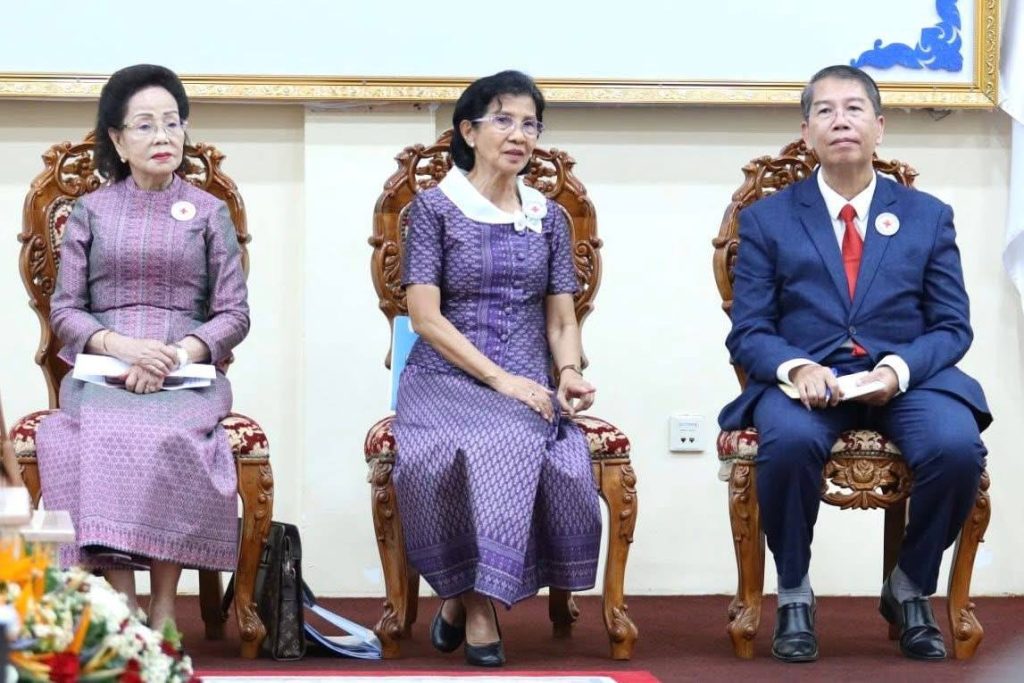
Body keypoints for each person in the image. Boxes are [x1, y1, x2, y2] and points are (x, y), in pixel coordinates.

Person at [719, 65, 990, 663]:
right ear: (806, 132)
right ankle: (794, 592)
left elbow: (952, 325)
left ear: (879, 127)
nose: (840, 121)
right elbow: (750, 330)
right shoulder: (768, 219)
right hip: (809, 385)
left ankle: (909, 586)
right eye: (825, 111)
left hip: (908, 380)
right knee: (787, 443)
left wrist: (897, 370)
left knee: (957, 447)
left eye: (854, 109)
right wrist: (796, 368)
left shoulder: (927, 215)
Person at [392, 70, 601, 668]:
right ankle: (478, 606)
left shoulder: (549, 216)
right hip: (443, 377)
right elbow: (424, 317)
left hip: (527, 377)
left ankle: (461, 599)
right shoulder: (434, 209)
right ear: (469, 131)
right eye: (504, 120)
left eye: (530, 124)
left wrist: (567, 371)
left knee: (528, 443)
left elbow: (561, 320)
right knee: (473, 443)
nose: (519, 135)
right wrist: (500, 380)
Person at [34, 64, 250, 632]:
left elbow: (234, 314)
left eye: (173, 123)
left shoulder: (209, 211)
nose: (163, 137)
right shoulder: (91, 211)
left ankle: (164, 604)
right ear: (117, 138)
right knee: (92, 433)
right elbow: (66, 310)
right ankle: (125, 601)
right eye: (146, 125)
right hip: (103, 367)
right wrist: (122, 348)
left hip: (187, 371)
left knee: (169, 434)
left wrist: (176, 355)